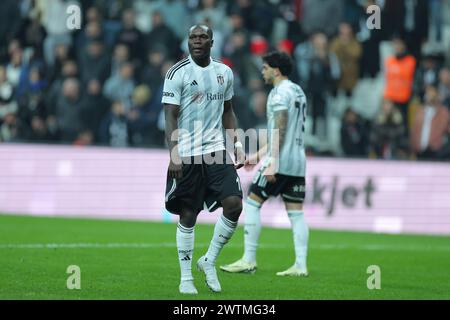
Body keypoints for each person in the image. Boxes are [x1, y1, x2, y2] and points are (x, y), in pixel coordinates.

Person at [162, 24, 245, 294]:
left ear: (212, 41)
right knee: (188, 214)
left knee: (233, 204)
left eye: (202, 38)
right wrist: (174, 154)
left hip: (215, 151)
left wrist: (238, 144)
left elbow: (228, 111)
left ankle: (208, 260)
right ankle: (186, 278)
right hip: (186, 153)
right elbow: (170, 116)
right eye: (192, 37)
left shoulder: (224, 72)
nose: (197, 41)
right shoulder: (177, 73)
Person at [220, 51, 309, 277]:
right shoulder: (298, 91)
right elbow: (280, 134)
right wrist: (257, 155)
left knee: (251, 203)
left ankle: (248, 260)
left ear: (276, 70)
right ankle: (300, 265)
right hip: (298, 161)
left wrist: (272, 163)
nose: (263, 72)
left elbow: (279, 130)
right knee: (296, 213)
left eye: (265, 68)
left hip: (280, 161)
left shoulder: (278, 94)